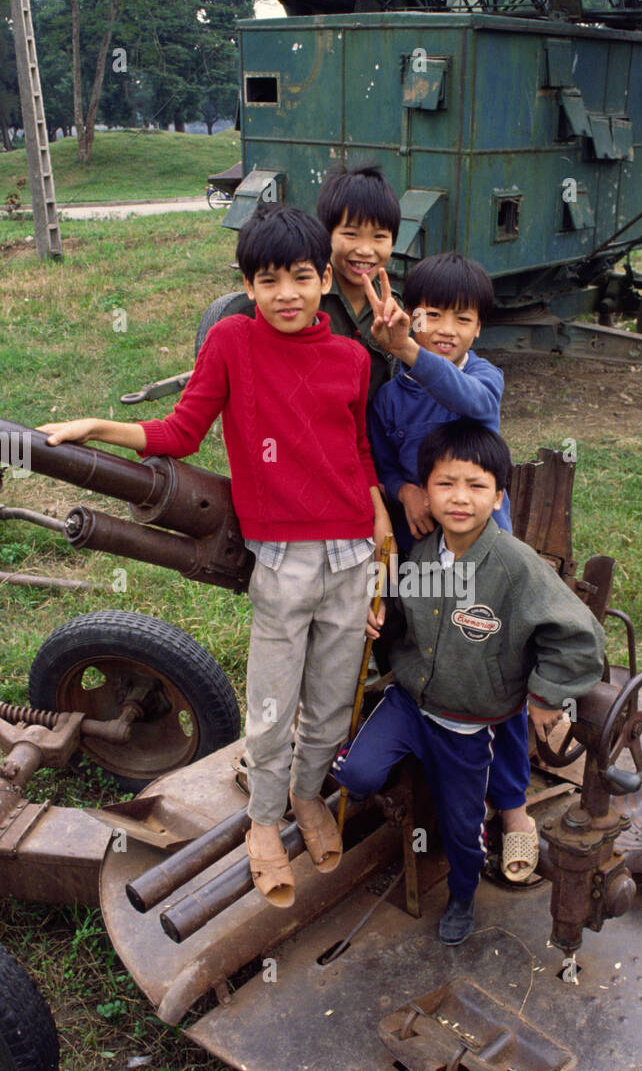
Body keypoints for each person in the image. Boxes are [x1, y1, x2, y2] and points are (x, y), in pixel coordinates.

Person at [38, 203, 392, 910]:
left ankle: (305, 794)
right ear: (248, 286)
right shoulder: (233, 342)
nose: (286, 294)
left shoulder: (353, 359)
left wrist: (379, 540)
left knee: (327, 706)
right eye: (268, 280)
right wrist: (96, 426)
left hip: (353, 553)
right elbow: (180, 430)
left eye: (300, 276)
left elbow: (357, 452)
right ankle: (263, 818)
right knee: (269, 703)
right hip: (284, 561)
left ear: (325, 278)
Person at [332, 420, 605, 945]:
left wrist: (547, 698)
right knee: (359, 776)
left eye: (476, 486)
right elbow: (404, 615)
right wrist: (382, 616)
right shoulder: (419, 555)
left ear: (498, 495)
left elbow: (579, 637)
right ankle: (374, 771)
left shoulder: (514, 567)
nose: (460, 498)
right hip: (410, 701)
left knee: (462, 830)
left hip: (466, 724)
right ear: (424, 492)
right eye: (445, 484)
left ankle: (461, 895)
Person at [362, 253, 536, 882]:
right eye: (431, 314)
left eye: (461, 319)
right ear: (413, 309)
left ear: (479, 330)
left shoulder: (484, 380)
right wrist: (404, 490)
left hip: (484, 553)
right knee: (413, 649)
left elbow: (459, 394)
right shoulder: (388, 397)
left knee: (496, 667)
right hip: (419, 549)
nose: (444, 329)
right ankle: (418, 752)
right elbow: (378, 461)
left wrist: (407, 348)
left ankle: (513, 810)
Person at [316, 163, 403, 403]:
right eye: (351, 234)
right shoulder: (309, 299)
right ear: (327, 235)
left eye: (379, 237)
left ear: (393, 243)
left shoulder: (396, 307)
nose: (365, 250)